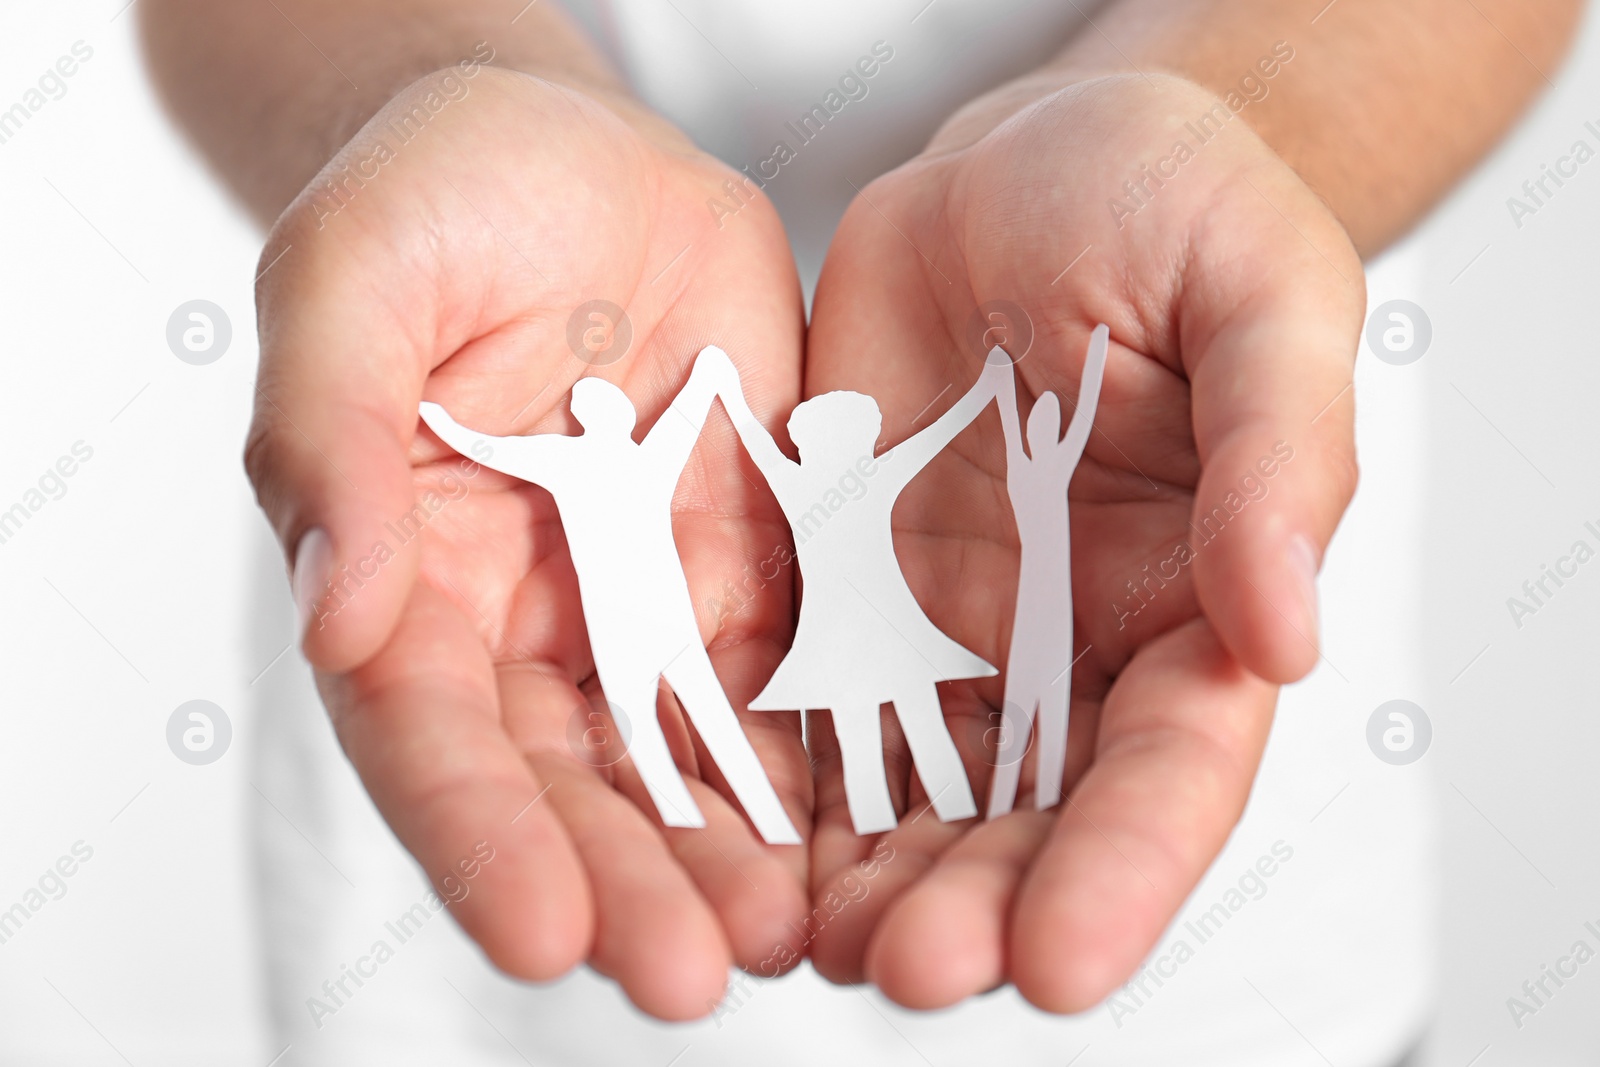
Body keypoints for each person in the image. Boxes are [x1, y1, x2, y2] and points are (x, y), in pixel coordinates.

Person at [137, 0, 1584, 1061]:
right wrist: (437, 96)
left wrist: (1232, 116)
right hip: (492, 777)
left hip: (1195, 785)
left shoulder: (848, 469)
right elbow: (638, 424)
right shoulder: (684, 469)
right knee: (702, 707)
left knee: (826, 708)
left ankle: (803, 805)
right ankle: (785, 808)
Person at [415, 359, 801, 844]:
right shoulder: (634, 456)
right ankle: (742, 817)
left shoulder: (575, 459)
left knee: (652, 714)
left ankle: (701, 814)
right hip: (646, 618)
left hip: (629, 620)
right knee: (688, 715)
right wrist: (706, 378)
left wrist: (439, 421)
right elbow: (493, 449)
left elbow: (491, 449)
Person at [705, 346, 1005, 833]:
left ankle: (898, 812)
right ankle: (939, 809)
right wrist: (984, 389)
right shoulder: (859, 479)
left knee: (866, 731)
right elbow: (937, 436)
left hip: (853, 635)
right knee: (907, 719)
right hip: (873, 632)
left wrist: (728, 393)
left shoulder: (807, 483)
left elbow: (759, 445)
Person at [987, 325, 1109, 818]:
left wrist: (1099, 354)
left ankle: (1019, 800)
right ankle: (1010, 801)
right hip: (1044, 605)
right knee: (1032, 701)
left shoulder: (1032, 466)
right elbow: (1077, 415)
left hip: (1046, 606)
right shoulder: (1044, 467)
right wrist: (1097, 355)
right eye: (1047, 423)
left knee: (1040, 700)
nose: (1051, 429)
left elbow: (1071, 418)